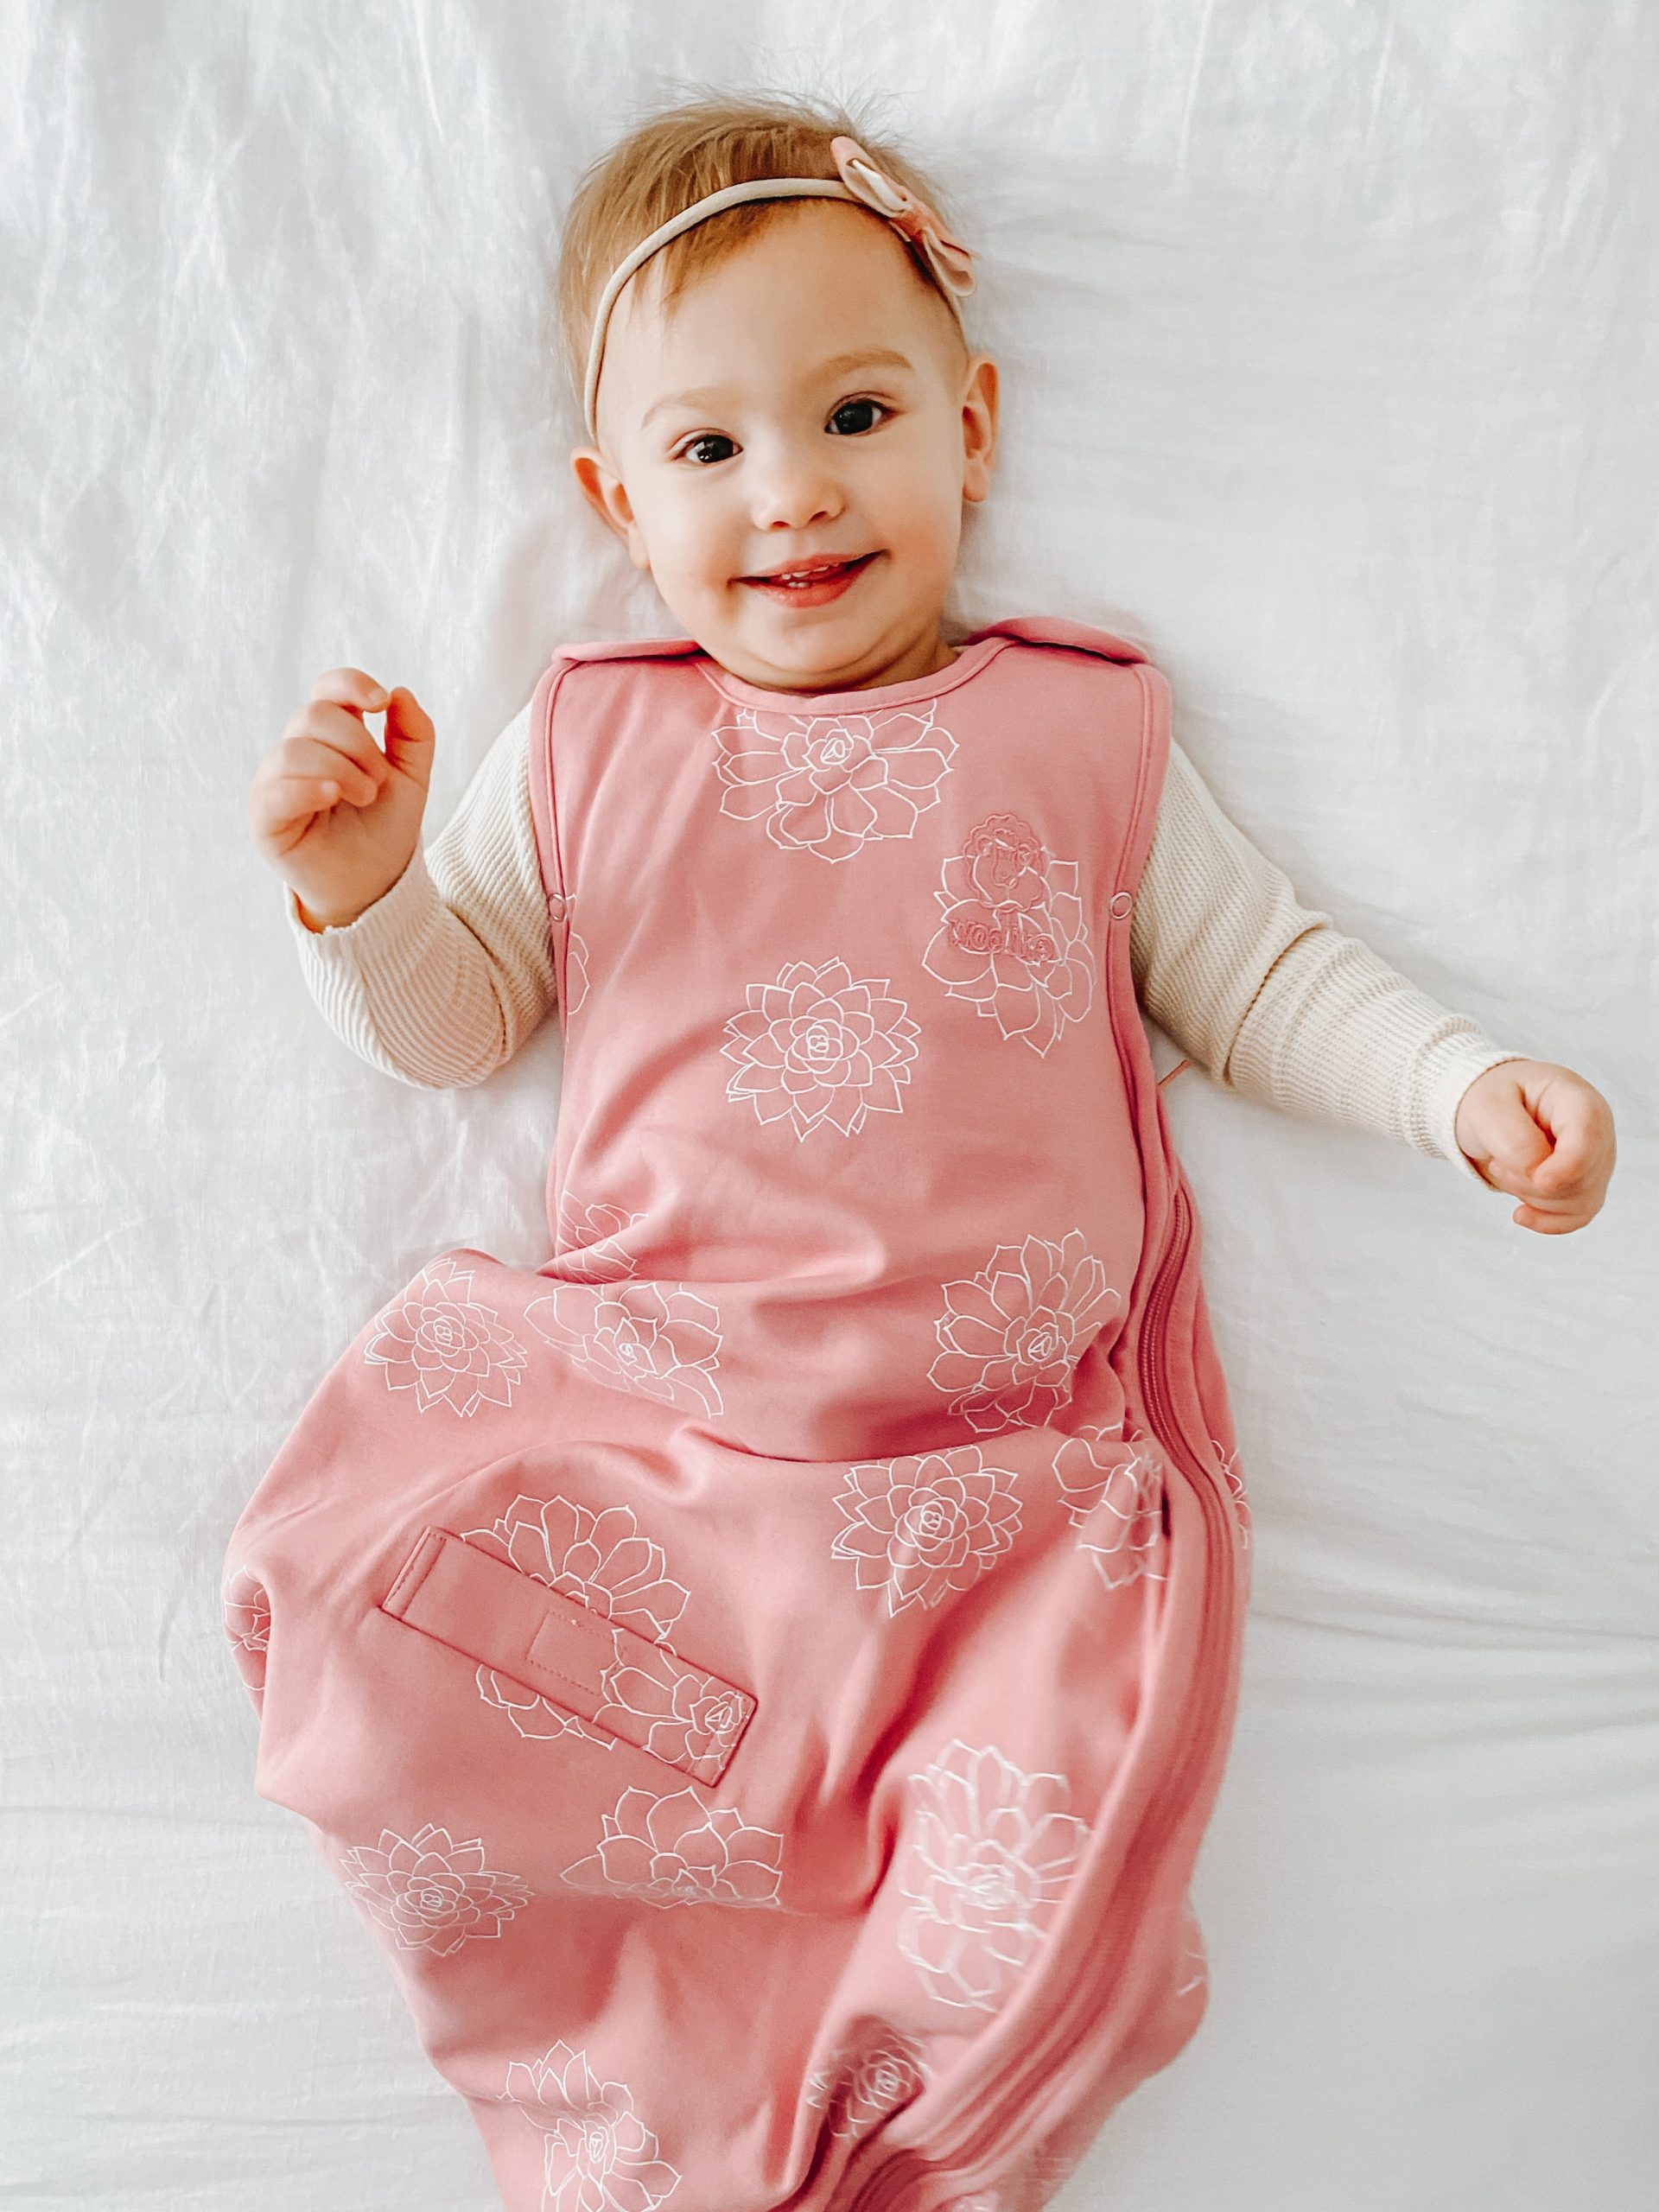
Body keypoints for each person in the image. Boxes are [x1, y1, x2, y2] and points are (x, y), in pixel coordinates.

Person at [231, 90, 1617, 2212]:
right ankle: (653, 2111)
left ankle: (901, 2135)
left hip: (988, 1479)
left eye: (856, 415)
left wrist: (1458, 1088)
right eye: (710, 449)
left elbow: (1258, 975)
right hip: (670, 1430)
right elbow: (457, 1023)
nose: (791, 492)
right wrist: (365, 889)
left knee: (1025, 1850)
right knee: (434, 1663)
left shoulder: (1079, 730)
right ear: (616, 500)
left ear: (971, 428)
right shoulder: (597, 737)